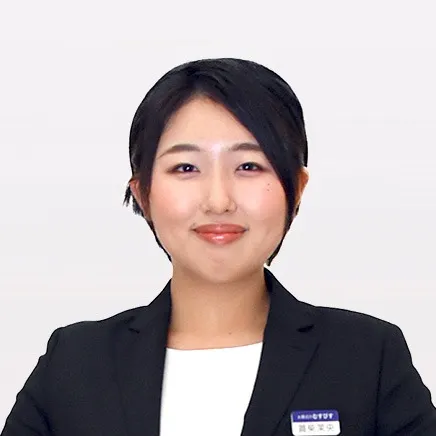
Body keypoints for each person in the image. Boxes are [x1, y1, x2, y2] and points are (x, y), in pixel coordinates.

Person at [2, 58, 435, 436]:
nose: (218, 200)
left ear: (297, 188)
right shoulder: (74, 363)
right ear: (143, 194)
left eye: (248, 165)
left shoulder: (367, 357)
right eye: (185, 168)